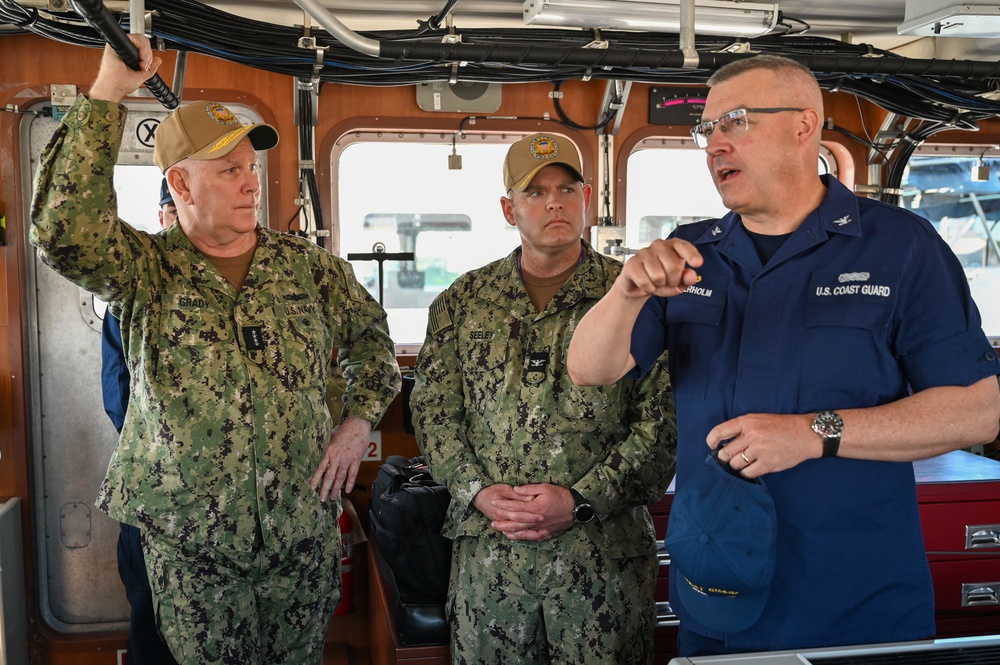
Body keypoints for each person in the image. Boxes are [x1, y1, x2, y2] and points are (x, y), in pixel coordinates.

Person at [566, 54, 1000, 657]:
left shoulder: (901, 247)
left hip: (854, 597)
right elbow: (589, 370)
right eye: (707, 129)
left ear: (804, 126)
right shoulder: (692, 252)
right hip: (719, 585)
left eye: (735, 122)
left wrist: (814, 433)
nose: (714, 144)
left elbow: (977, 412)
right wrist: (627, 291)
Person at [31, 36, 401, 665]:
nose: (249, 183)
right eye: (229, 170)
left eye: (250, 167)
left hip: (298, 536)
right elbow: (62, 230)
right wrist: (108, 91)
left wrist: (356, 422)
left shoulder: (309, 269)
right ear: (181, 183)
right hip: (192, 548)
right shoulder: (144, 270)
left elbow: (374, 346)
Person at [410, 132, 677, 665]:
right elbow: (434, 414)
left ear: (587, 197)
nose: (554, 202)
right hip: (491, 556)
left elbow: (662, 427)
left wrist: (579, 502)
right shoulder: (463, 302)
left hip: (602, 558)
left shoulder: (634, 296)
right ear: (509, 209)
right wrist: (478, 491)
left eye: (566, 188)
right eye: (535, 192)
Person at [100, 177, 178, 665]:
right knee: (153, 624)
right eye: (168, 211)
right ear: (164, 214)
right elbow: (118, 394)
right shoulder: (131, 290)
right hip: (156, 493)